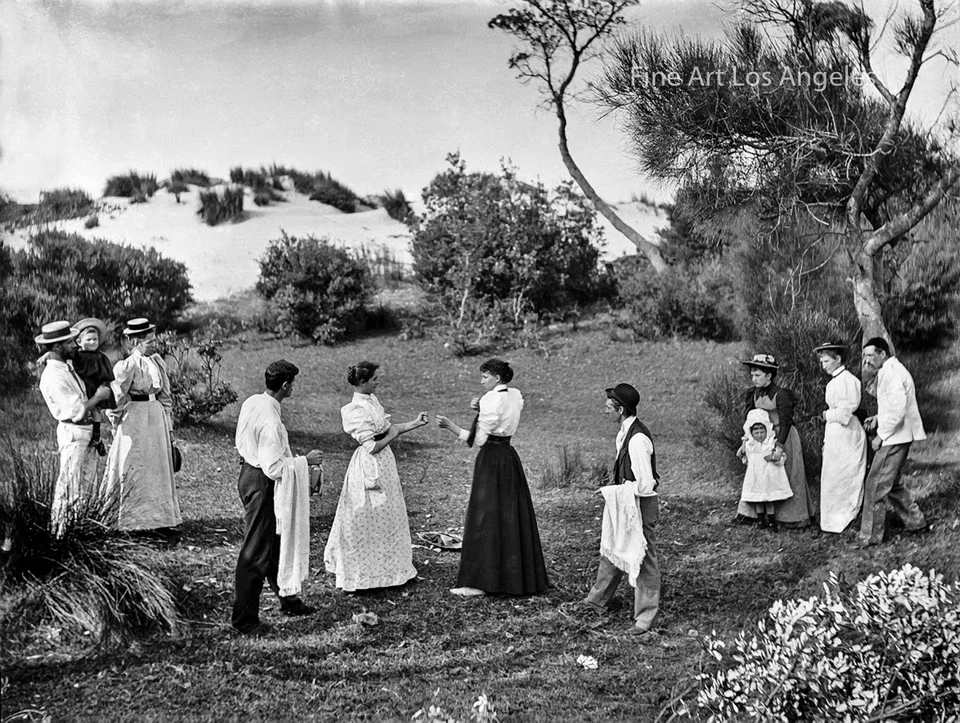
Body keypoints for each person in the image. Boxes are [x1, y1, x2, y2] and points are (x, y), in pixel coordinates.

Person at [436, 358, 549, 597]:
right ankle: (517, 577)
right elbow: (501, 416)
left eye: (485, 376)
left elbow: (478, 440)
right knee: (509, 514)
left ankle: (479, 582)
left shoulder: (490, 400)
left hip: (490, 460)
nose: (481, 381)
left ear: (496, 378)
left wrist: (450, 426)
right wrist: (481, 410)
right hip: (508, 457)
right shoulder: (515, 396)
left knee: (484, 515)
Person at [233, 359, 323, 634]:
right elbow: (273, 468)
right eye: (293, 383)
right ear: (285, 386)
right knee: (256, 551)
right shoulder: (271, 421)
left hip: (249, 474)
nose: (294, 387)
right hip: (262, 483)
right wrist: (305, 462)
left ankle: (288, 599)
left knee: (274, 544)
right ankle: (245, 620)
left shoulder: (254, 401)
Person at [324, 361, 429, 591]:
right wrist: (391, 435)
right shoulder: (354, 410)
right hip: (369, 464)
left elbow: (389, 428)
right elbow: (372, 446)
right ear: (362, 382)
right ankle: (364, 573)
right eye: (374, 379)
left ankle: (389, 568)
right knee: (365, 514)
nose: (378, 382)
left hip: (385, 462)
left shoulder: (372, 401)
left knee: (388, 513)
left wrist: (415, 423)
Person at [582, 383, 661, 636]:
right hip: (625, 500)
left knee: (643, 557)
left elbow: (646, 484)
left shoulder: (637, 439)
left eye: (609, 407)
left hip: (640, 504)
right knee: (612, 546)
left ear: (621, 410)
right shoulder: (623, 434)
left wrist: (613, 492)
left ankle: (645, 618)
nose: (605, 411)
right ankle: (596, 601)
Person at [103, 318, 182, 535]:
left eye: (154, 340)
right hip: (135, 419)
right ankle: (132, 521)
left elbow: (165, 397)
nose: (154, 345)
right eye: (149, 342)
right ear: (136, 343)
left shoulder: (157, 362)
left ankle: (159, 519)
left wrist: (169, 429)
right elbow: (117, 398)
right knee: (135, 466)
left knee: (157, 467)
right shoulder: (127, 366)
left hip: (156, 417)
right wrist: (116, 424)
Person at [35, 321, 112, 536]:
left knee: (86, 484)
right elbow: (75, 410)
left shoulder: (66, 367)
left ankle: (81, 531)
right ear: (57, 346)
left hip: (86, 430)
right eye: (69, 342)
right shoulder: (53, 376)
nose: (74, 345)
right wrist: (98, 397)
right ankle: (59, 534)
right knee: (69, 484)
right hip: (73, 431)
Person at [857, 338, 929, 548]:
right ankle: (917, 522)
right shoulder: (890, 370)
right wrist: (878, 417)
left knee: (875, 485)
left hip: (894, 438)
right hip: (899, 436)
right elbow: (894, 407)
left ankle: (870, 537)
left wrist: (881, 436)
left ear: (882, 354)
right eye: (865, 356)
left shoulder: (892, 373)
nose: (867, 360)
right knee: (892, 485)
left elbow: (897, 412)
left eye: (870, 355)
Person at [738, 354, 815, 527]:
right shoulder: (754, 393)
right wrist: (746, 441)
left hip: (783, 435)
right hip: (761, 437)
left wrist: (779, 447)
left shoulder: (780, 395)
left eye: (757, 375)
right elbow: (750, 421)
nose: (754, 379)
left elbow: (786, 422)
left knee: (786, 473)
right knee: (759, 473)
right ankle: (753, 514)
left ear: (769, 376)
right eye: (752, 375)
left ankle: (791, 517)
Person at [814, 342, 867, 534]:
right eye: (822, 362)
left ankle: (847, 518)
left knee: (846, 474)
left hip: (848, 433)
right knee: (832, 476)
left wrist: (827, 414)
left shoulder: (849, 381)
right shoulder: (833, 382)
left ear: (838, 359)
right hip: (835, 433)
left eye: (827, 361)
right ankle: (831, 521)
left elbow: (845, 412)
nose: (824, 366)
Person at [736, 409, 792, 531]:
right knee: (758, 500)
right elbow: (744, 458)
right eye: (756, 432)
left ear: (767, 430)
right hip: (756, 477)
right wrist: (743, 448)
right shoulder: (751, 445)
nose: (759, 435)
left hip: (769, 477)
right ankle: (760, 520)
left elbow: (782, 458)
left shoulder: (771, 444)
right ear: (751, 433)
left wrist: (773, 457)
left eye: (762, 432)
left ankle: (771, 521)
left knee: (769, 500)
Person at [70, 318, 116, 457]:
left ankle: (96, 436)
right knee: (82, 410)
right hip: (81, 387)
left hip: (95, 387)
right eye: (88, 340)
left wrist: (102, 390)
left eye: (95, 339)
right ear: (79, 342)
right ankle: (88, 435)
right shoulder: (76, 355)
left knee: (96, 411)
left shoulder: (100, 357)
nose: (92, 343)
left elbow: (105, 376)